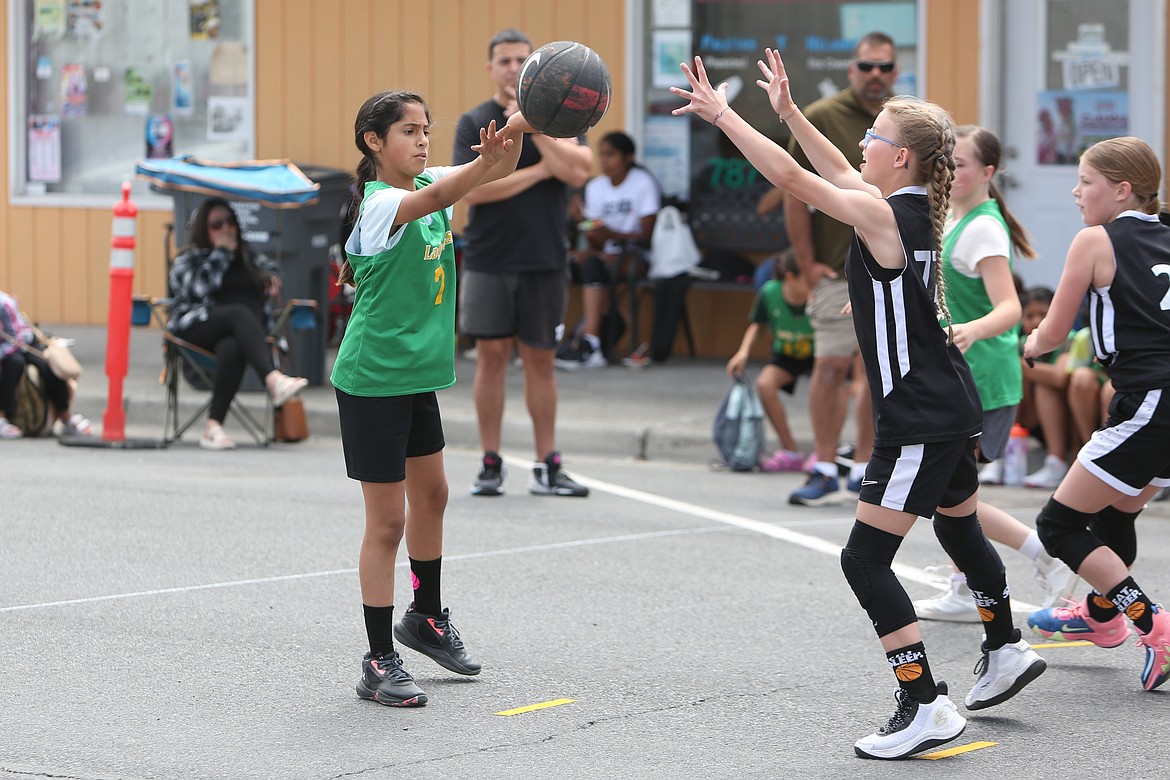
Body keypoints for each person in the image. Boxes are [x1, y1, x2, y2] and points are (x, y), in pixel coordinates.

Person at [672, 48, 1044, 759]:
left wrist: (725, 116)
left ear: (900, 158)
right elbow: (835, 170)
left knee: (865, 560)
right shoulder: (903, 208)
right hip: (950, 401)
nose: (862, 142)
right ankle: (1005, 648)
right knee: (960, 527)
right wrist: (786, 115)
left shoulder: (882, 216)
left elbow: (792, 178)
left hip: (917, 414)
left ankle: (925, 701)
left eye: (874, 134)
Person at [332, 90, 528, 707]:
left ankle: (426, 616)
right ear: (374, 142)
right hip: (373, 378)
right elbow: (445, 194)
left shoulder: (428, 177)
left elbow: (501, 164)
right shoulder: (381, 203)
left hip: (415, 376)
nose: (422, 140)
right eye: (409, 131)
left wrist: (530, 115)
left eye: (426, 129)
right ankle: (378, 658)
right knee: (387, 522)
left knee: (435, 497)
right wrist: (481, 161)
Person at [1023, 136, 1170, 692]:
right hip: (1155, 399)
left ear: (1122, 189)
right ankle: (1101, 616)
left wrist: (1027, 344)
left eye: (1086, 181)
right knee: (1116, 513)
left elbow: (1055, 333)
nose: (1076, 191)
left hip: (1150, 399)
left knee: (1058, 525)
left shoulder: (1095, 241)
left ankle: (1152, 624)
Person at [912, 126, 1072, 622]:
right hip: (963, 374)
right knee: (952, 494)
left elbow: (1009, 308)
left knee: (949, 494)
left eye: (960, 163)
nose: (950, 171)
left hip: (982, 376)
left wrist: (970, 331)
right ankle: (969, 586)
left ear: (987, 172)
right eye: (946, 161)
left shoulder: (983, 227)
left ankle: (1042, 551)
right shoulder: (953, 217)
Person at [455, 28, 594, 498]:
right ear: (491, 68)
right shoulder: (474, 120)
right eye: (504, 61)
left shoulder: (563, 117)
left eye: (521, 61)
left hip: (544, 259)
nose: (513, 68)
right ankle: (490, 462)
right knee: (490, 359)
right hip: (489, 257)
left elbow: (578, 171)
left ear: (534, 69)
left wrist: (528, 123)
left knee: (541, 361)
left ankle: (547, 464)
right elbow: (473, 188)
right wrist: (539, 170)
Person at [784, 32, 898, 506]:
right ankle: (825, 464)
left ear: (895, 73)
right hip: (836, 268)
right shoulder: (825, 115)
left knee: (875, 373)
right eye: (867, 66)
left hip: (891, 270)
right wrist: (807, 262)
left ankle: (865, 467)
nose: (876, 75)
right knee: (829, 365)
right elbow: (795, 188)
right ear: (852, 70)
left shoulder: (904, 121)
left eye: (884, 67)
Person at [168, 198, 308, 450]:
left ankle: (213, 426)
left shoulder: (248, 256)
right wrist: (221, 253)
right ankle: (273, 379)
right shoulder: (190, 258)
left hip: (241, 334)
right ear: (204, 228)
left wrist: (271, 278)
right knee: (239, 313)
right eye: (217, 224)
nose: (226, 229)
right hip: (196, 328)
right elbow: (198, 288)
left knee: (232, 346)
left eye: (230, 222)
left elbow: (273, 271)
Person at [557, 131, 661, 370]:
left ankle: (591, 346)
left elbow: (645, 235)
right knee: (564, 261)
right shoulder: (596, 187)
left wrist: (610, 233)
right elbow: (596, 242)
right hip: (606, 251)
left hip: (634, 255)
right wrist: (583, 223)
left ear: (628, 157)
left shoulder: (642, 182)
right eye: (601, 155)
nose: (604, 161)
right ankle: (556, 341)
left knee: (595, 264)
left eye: (611, 155)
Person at [725, 249, 814, 471]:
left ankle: (824, 453)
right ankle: (790, 451)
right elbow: (758, 325)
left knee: (827, 389)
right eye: (807, 275)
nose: (814, 279)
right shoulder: (770, 292)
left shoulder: (820, 293)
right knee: (765, 384)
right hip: (787, 352)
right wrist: (743, 351)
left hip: (819, 353)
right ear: (791, 277)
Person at [0, 291, 92, 438]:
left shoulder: (4, 303)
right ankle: (2, 418)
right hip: (6, 347)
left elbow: (16, 338)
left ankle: (66, 417)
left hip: (22, 343)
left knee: (44, 365)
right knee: (12, 364)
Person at [1010, 286, 1073, 485]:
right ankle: (1003, 454)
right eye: (1029, 315)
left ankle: (1056, 461)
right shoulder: (1018, 343)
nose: (1036, 321)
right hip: (1031, 419)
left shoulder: (1068, 339)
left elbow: (1059, 377)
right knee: (1011, 380)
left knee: (1044, 385)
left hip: (1065, 421)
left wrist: (1014, 361)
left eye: (1043, 314)